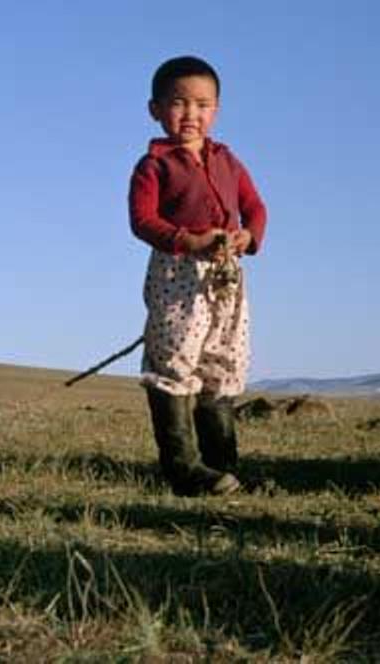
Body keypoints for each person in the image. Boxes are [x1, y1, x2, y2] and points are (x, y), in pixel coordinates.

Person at [129, 56, 267, 496]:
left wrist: (249, 236)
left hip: (227, 276)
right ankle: (182, 468)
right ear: (155, 109)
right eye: (178, 103)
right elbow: (141, 221)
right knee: (175, 359)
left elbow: (257, 208)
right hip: (178, 273)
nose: (191, 114)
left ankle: (222, 466)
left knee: (221, 361)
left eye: (202, 105)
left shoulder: (228, 160)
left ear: (217, 110)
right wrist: (188, 240)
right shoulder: (153, 165)